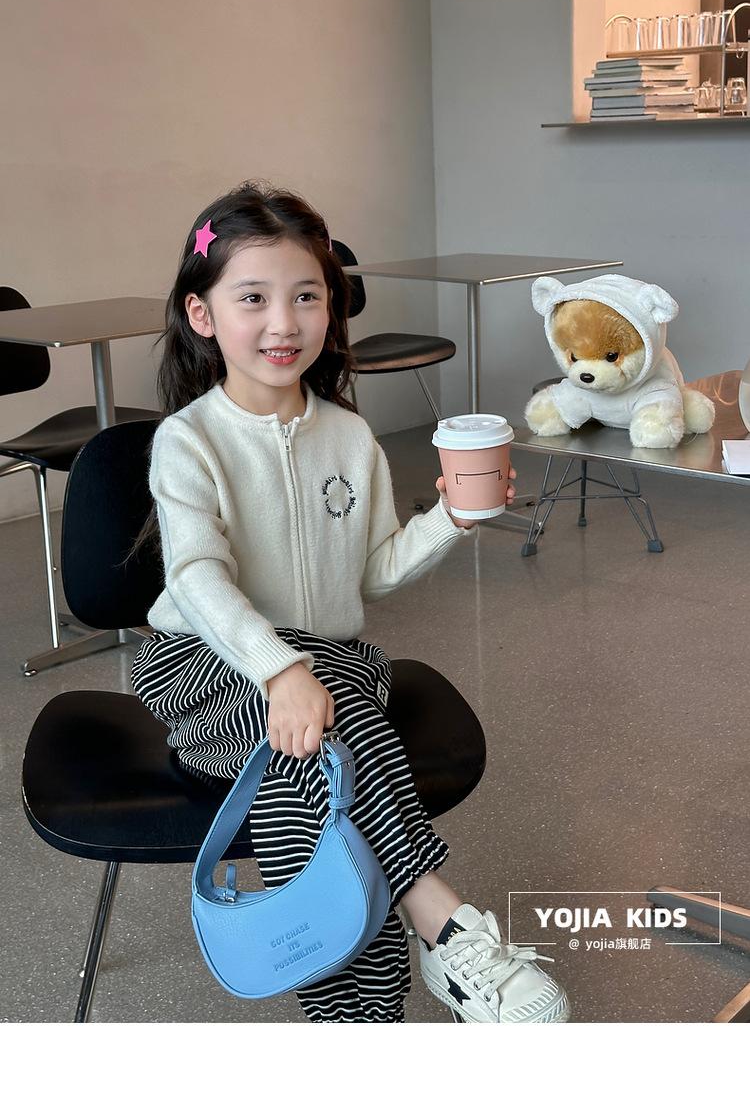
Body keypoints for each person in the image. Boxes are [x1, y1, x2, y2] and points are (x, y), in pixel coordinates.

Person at [131, 180, 569, 1024]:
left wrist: (450, 516)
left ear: (331, 307)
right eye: (252, 298)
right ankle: (443, 922)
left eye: (307, 296)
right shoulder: (188, 440)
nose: (283, 322)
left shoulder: (349, 435)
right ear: (202, 313)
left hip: (324, 669)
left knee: (315, 779)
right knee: (325, 718)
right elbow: (195, 578)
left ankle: (360, 1027)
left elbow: (371, 572)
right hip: (202, 663)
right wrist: (279, 669)